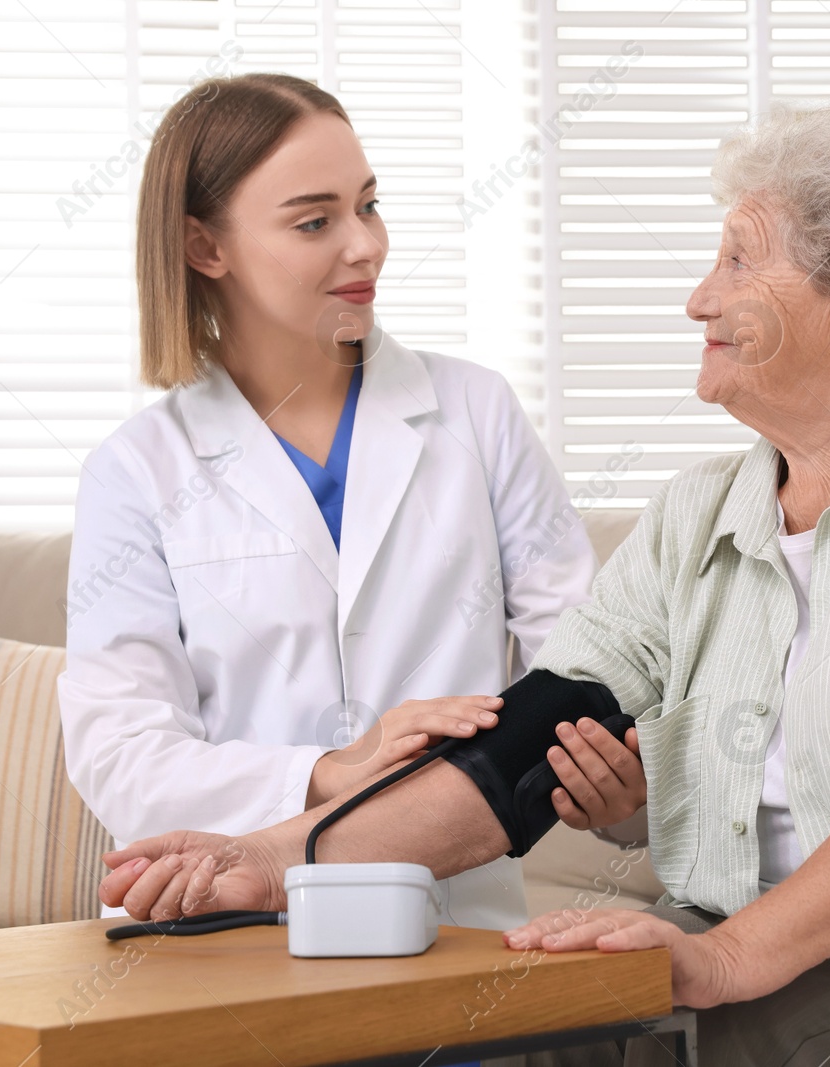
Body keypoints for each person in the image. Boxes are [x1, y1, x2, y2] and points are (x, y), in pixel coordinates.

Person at [93, 102, 830, 1067]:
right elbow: (526, 742)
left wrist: (720, 957)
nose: (697, 297)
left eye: (735, 260)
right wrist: (275, 853)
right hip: (797, 948)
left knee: (711, 1035)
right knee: (540, 1038)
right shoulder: (702, 510)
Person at [56, 72, 606, 933]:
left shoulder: (475, 412)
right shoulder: (138, 469)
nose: (366, 246)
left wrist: (604, 764)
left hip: (448, 919)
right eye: (315, 221)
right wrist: (330, 770)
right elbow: (120, 752)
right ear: (206, 247)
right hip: (220, 934)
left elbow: (582, 665)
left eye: (370, 205)